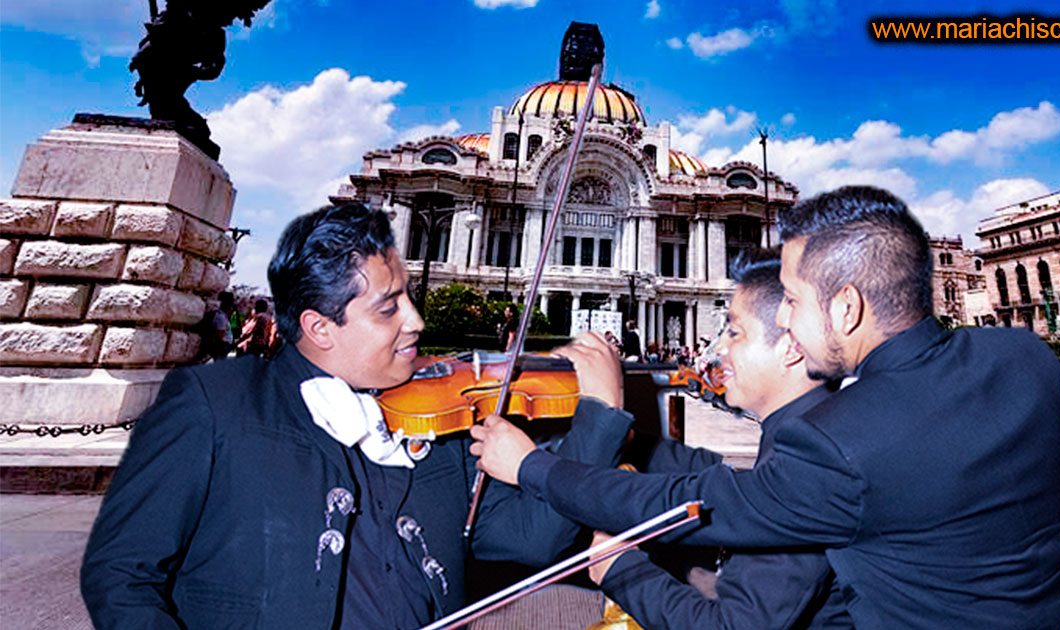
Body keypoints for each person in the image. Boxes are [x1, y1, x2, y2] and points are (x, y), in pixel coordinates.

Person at [472, 186, 1060, 630]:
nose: (792, 323)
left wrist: (537, 473)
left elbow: (705, 517)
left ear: (847, 309)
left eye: (794, 301)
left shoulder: (836, 443)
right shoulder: (1022, 358)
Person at [80, 203, 634, 629]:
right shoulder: (214, 403)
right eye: (389, 308)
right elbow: (122, 576)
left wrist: (600, 415)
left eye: (409, 298)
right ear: (321, 327)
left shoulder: (437, 426)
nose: (416, 322)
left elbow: (532, 540)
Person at [587, 247, 852, 630]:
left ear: (793, 346)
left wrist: (620, 570)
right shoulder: (813, 426)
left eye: (734, 332)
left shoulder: (812, 455)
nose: (719, 350)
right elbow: (769, 588)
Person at [199, 291, 235, 361]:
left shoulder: (223, 316)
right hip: (221, 346)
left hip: (223, 346)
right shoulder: (220, 317)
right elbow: (220, 334)